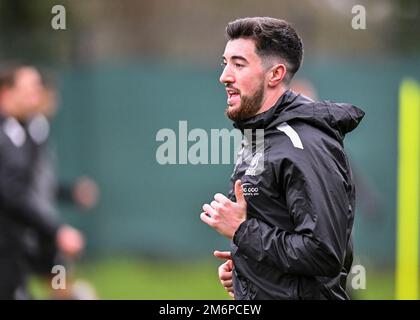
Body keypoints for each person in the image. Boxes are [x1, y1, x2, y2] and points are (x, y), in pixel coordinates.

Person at [200, 17, 365, 300]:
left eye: (238, 64)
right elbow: (275, 230)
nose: (225, 76)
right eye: (225, 63)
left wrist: (242, 231)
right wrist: (245, 270)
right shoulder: (259, 136)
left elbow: (324, 253)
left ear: (275, 74)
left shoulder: (304, 144)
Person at [0, 64, 84, 299]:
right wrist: (56, 230)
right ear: (7, 92)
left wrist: (69, 193)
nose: (38, 94)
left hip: (20, 238)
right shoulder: (9, 134)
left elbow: (30, 187)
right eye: (31, 88)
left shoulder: (28, 130)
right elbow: (11, 192)